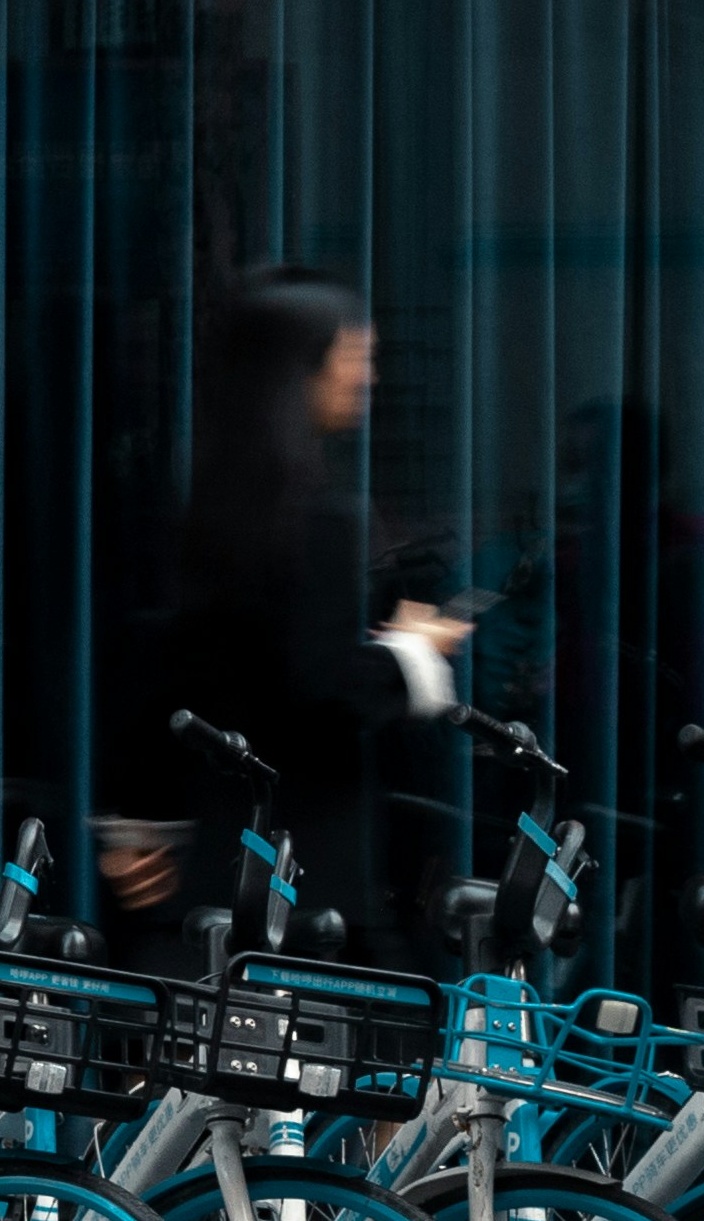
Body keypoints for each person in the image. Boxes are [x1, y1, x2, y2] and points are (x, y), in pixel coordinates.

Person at [133, 269, 468, 975]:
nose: (368, 376)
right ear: (305, 368)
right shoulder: (324, 522)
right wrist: (413, 651)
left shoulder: (200, 518)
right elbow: (320, 695)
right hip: (316, 864)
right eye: (357, 355)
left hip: (219, 858)